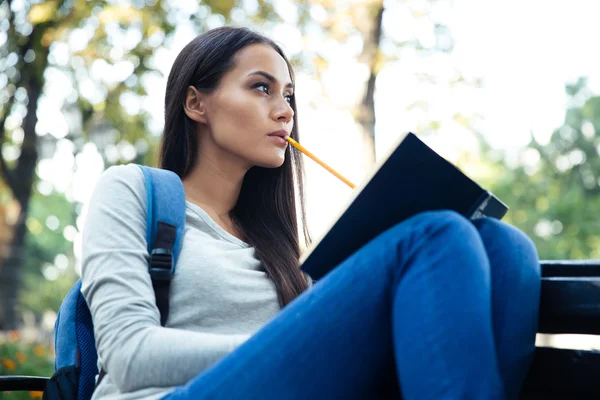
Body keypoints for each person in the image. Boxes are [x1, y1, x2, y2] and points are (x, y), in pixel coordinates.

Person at [81, 26, 541, 400]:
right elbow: (130, 353)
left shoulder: (280, 244)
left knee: (505, 246)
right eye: (261, 88)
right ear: (197, 102)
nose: (284, 111)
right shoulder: (130, 190)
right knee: (437, 235)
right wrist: (295, 346)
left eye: (289, 96)